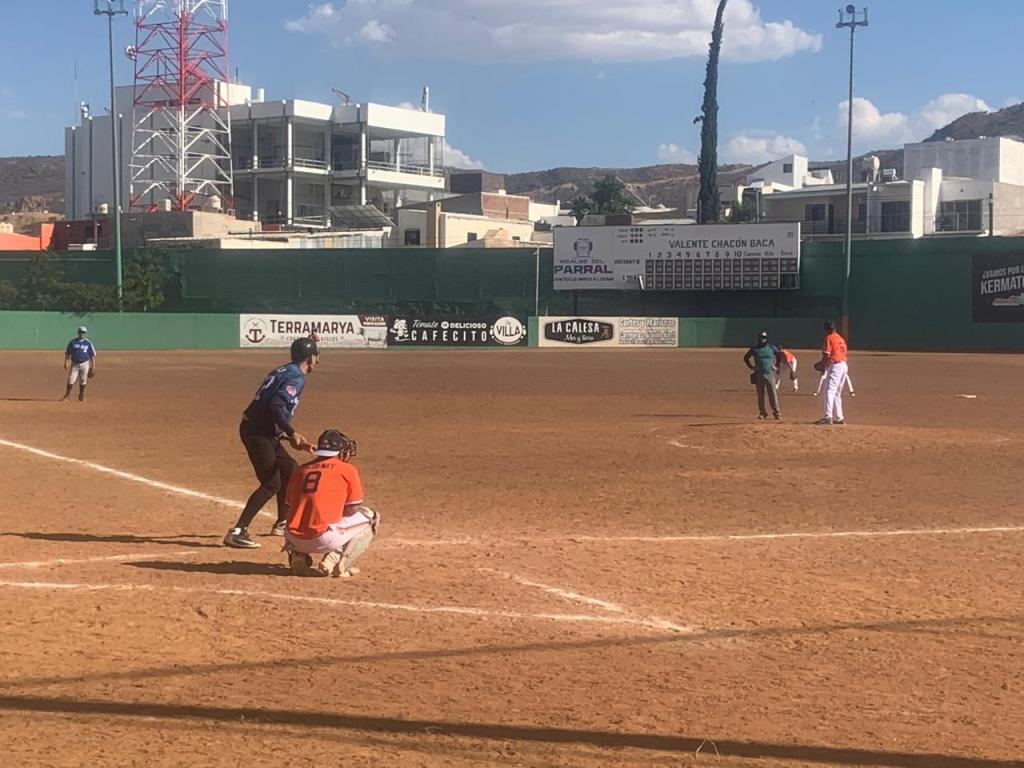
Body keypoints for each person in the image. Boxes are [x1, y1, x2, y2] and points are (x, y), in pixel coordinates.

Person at [223, 337, 319, 549]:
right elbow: (275, 406)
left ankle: (282, 523)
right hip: (257, 432)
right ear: (310, 358)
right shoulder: (296, 378)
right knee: (271, 483)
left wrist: (287, 435)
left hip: (263, 430)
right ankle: (237, 531)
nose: (318, 362)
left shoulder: (284, 370)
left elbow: (268, 406)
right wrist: (292, 433)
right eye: (316, 357)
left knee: (290, 470)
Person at [284, 429, 379, 578]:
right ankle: (336, 562)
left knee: (301, 514)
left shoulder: (300, 470)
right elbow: (352, 509)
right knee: (371, 516)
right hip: (324, 539)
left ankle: (298, 556)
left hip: (293, 538)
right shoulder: (347, 469)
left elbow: (288, 506)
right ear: (339, 451)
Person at [743, 331, 782, 420]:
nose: (762, 339)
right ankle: (762, 412)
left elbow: (779, 356)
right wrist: (752, 367)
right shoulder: (755, 349)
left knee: (773, 394)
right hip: (759, 374)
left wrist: (776, 366)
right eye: (761, 337)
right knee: (760, 395)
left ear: (766, 338)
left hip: (769, 373)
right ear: (758, 338)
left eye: (764, 337)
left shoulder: (771, 348)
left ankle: (777, 413)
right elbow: (746, 358)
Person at [816, 321, 849, 425]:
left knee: (829, 391)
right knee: (837, 393)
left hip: (835, 366)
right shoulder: (840, 338)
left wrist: (821, 366)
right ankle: (839, 417)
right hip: (843, 365)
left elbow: (826, 355)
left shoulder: (829, 338)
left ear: (826, 329)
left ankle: (828, 417)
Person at [63, 326, 97, 402]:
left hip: (85, 363)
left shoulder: (88, 343)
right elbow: (68, 353)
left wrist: (93, 366)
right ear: (78, 332)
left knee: (83, 380)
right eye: (81, 332)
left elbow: (92, 355)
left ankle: (81, 396)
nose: (82, 334)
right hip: (74, 364)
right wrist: (66, 362)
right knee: (71, 379)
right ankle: (67, 395)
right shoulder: (73, 342)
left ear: (85, 333)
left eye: (83, 332)